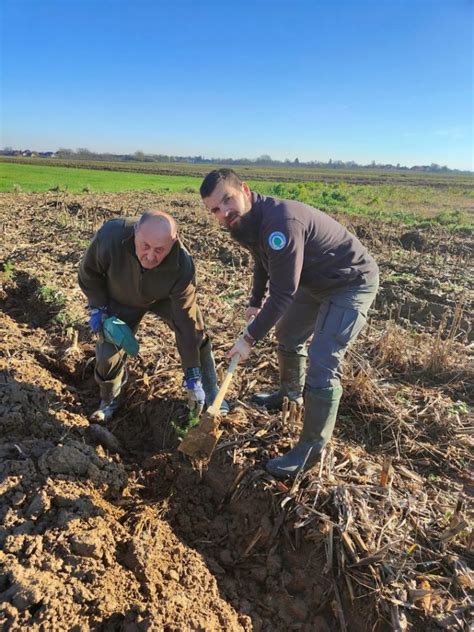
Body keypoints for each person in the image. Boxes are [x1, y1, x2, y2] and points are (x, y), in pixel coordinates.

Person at [200, 169, 379, 479]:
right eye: (215, 209)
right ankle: (289, 394)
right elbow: (262, 259)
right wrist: (255, 300)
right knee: (288, 333)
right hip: (314, 281)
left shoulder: (280, 222)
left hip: (350, 282)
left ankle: (309, 450)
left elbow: (283, 293)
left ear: (244, 189)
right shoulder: (248, 222)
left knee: (323, 361)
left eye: (227, 200)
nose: (224, 212)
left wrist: (248, 339)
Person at [78, 209, 228, 423]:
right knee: (107, 356)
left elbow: (186, 323)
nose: (150, 256)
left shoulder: (182, 265)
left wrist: (192, 373)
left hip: (164, 298)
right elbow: (88, 273)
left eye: (160, 250)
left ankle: (211, 391)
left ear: (173, 241)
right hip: (121, 297)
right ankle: (109, 399)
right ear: (136, 231)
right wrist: (99, 307)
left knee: (196, 335)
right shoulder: (111, 236)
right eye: (145, 246)